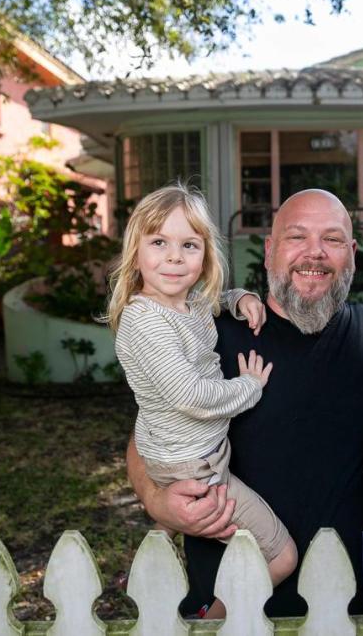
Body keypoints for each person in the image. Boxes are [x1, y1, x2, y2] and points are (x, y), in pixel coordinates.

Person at [126, 188, 363, 616]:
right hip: (230, 611)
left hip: (349, 611)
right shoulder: (210, 331)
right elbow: (147, 433)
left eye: (331, 239)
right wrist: (157, 501)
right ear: (271, 250)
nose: (314, 254)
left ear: (350, 253)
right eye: (297, 237)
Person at [106, 185, 297, 619]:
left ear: (205, 255)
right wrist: (248, 386)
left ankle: (160, 545)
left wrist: (240, 299)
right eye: (159, 243)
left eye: (188, 245)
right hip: (196, 466)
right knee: (282, 557)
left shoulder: (181, 303)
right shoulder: (143, 321)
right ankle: (210, 622)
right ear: (134, 251)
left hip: (177, 449)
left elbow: (208, 303)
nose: (174, 257)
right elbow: (193, 397)